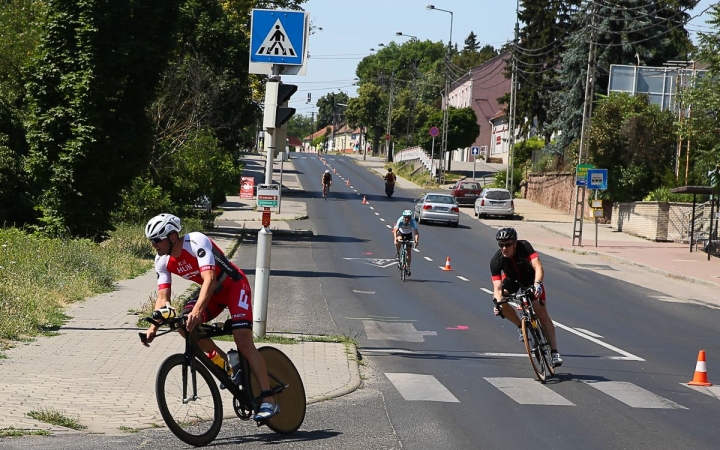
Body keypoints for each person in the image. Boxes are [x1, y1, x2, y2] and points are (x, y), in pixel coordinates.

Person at [141, 213, 280, 421]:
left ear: (172, 237)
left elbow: (210, 278)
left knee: (242, 338)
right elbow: (163, 299)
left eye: (156, 240)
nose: (153, 245)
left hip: (233, 286)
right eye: (151, 241)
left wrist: (198, 311)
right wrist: (153, 328)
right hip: (212, 294)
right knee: (183, 325)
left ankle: (269, 399)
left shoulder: (196, 241)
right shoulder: (161, 261)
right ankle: (228, 365)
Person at [490, 227, 563, 367]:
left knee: (539, 309)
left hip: (530, 279)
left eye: (507, 244)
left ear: (515, 243)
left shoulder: (524, 247)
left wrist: (538, 284)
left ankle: (554, 352)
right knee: (500, 301)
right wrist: (498, 303)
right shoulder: (496, 260)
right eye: (501, 245)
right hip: (512, 281)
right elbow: (497, 288)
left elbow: (538, 266)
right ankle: (520, 326)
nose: (504, 248)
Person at [393, 209, 419, 275]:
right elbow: (395, 231)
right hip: (401, 233)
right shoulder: (400, 220)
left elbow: (416, 233)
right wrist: (395, 239)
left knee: (409, 252)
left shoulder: (413, 221)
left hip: (409, 234)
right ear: (404, 217)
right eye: (406, 217)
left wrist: (416, 241)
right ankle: (398, 253)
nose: (407, 219)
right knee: (399, 240)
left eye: (409, 218)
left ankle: (408, 268)